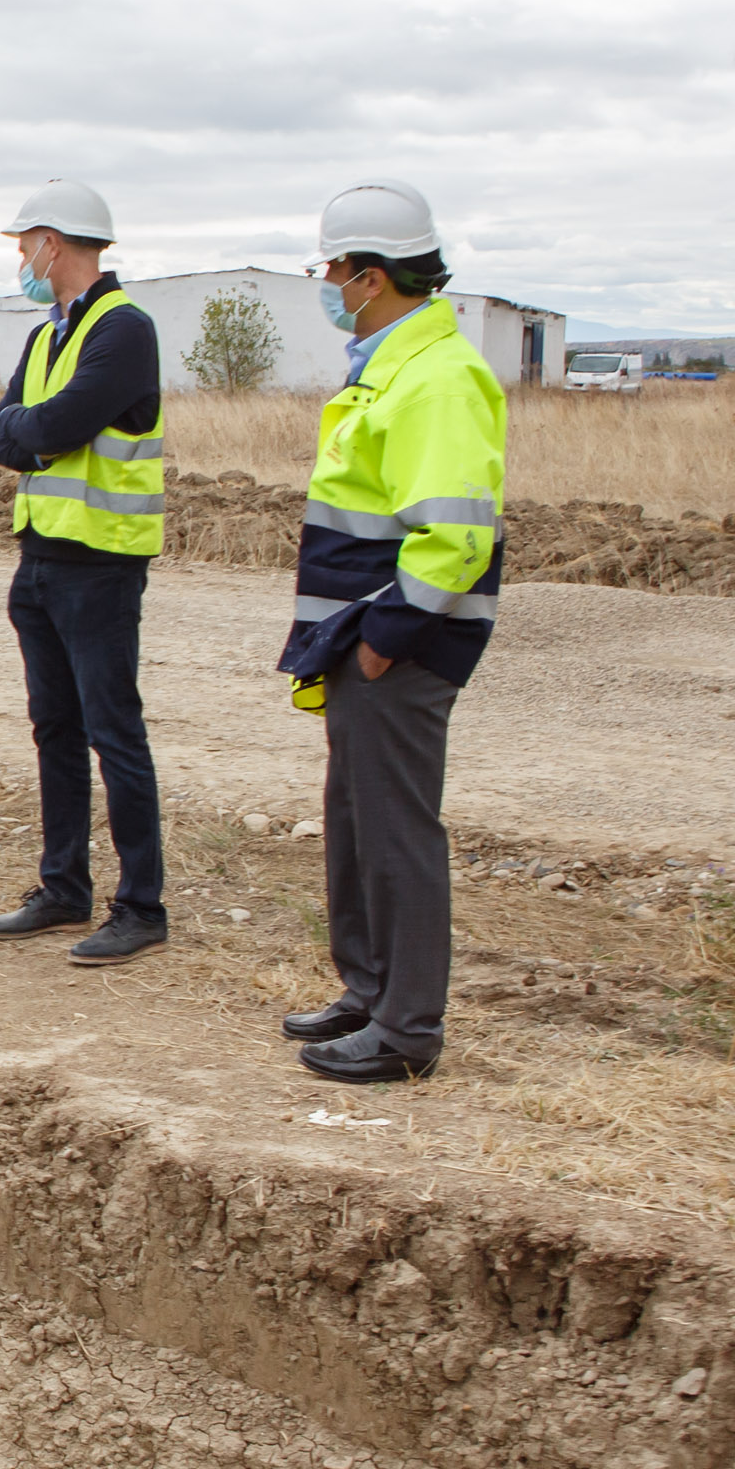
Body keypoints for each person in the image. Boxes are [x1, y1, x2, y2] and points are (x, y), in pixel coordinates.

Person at [276, 181, 507, 1083]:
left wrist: (389, 637)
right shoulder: (392, 365)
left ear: (370, 277)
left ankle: (407, 1028)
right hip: (357, 641)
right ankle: (366, 992)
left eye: (331, 268)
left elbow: (454, 533)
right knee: (353, 824)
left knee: (395, 831)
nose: (325, 282)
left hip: (394, 648)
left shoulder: (438, 379)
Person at [0, 180, 170, 965]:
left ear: (53, 244)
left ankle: (140, 907)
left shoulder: (122, 331)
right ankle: (63, 888)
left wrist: (35, 430)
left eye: (25, 244)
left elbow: (47, 424)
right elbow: (2, 436)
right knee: (54, 729)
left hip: (101, 564)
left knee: (111, 732)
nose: (21, 258)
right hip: (41, 559)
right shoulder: (47, 335)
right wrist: (34, 431)